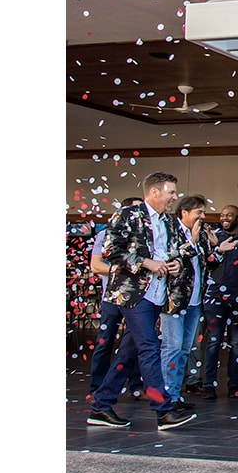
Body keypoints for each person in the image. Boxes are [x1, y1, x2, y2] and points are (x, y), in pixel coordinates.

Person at [87, 172, 196, 430]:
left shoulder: (169, 223)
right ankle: (163, 410)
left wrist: (175, 262)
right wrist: (146, 263)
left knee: (131, 349)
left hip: (158, 293)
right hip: (133, 293)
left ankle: (101, 405)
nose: (174, 197)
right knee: (148, 347)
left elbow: (185, 249)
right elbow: (111, 250)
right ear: (155, 192)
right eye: (171, 192)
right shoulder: (127, 215)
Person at [160, 195, 233, 408]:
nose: (203, 216)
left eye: (203, 212)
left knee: (185, 349)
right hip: (175, 300)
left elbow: (206, 264)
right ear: (184, 213)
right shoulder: (170, 232)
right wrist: (191, 241)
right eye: (198, 212)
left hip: (194, 301)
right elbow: (171, 258)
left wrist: (217, 250)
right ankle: (166, 399)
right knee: (172, 348)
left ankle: (175, 396)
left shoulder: (200, 235)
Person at [87, 196, 144, 397]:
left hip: (136, 298)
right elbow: (96, 265)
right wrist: (126, 268)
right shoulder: (106, 235)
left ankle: (135, 385)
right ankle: (97, 387)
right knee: (105, 341)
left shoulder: (146, 237)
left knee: (137, 341)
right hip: (112, 296)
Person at [201, 205, 238, 399]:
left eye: (229, 215)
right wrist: (213, 246)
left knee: (235, 343)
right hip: (215, 296)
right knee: (213, 341)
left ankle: (234, 384)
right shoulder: (213, 236)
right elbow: (207, 264)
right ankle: (208, 384)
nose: (225, 218)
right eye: (222, 215)